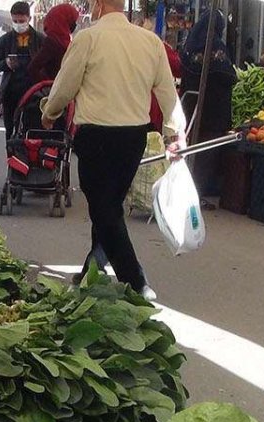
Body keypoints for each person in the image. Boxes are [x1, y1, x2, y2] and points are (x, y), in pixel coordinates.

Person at [41, 0, 184, 300]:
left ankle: (135, 281)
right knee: (109, 205)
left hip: (96, 137)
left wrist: (49, 111)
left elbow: (65, 86)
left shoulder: (88, 39)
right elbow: (168, 93)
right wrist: (176, 132)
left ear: (99, 4)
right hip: (134, 138)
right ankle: (92, 269)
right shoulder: (150, 42)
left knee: (104, 210)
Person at [180, 9, 236, 204]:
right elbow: (229, 76)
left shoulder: (190, 45)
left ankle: (189, 190)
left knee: (193, 151)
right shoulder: (215, 46)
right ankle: (195, 194)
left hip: (192, 107)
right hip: (213, 110)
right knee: (206, 154)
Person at [0, 1, 42, 135]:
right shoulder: (5, 40)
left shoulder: (40, 39)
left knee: (29, 127)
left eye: (22, 20)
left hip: (32, 91)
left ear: (29, 19)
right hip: (11, 89)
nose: (18, 24)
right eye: (15, 21)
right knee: (9, 128)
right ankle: (10, 153)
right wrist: (6, 63)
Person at [28, 3, 78, 85]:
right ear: (63, 20)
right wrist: (48, 85)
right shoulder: (52, 42)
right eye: (72, 20)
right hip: (54, 91)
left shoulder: (63, 39)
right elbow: (33, 68)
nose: (74, 24)